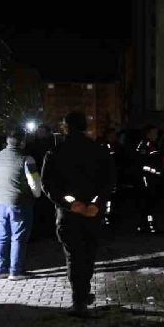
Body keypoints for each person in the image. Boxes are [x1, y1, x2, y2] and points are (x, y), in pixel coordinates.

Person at [41, 111, 115, 316]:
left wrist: (70, 204)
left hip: (68, 214)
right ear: (85, 127)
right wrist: (95, 203)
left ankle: (79, 299)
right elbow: (109, 181)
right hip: (92, 213)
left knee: (74, 256)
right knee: (89, 253)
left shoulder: (55, 152)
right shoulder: (99, 150)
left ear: (65, 127)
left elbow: (48, 185)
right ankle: (83, 294)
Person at [0, 127, 43, 280]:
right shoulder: (27, 159)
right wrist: (36, 195)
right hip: (20, 202)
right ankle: (16, 271)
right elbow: (34, 182)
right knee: (18, 237)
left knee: (0, 236)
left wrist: (2, 190)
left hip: (0, 202)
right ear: (23, 141)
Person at [133, 125, 164, 234]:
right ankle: (150, 227)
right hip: (146, 179)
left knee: (149, 203)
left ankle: (144, 226)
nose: (156, 135)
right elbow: (142, 164)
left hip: (151, 178)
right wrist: (154, 171)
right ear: (149, 133)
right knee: (148, 203)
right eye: (155, 133)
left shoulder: (152, 145)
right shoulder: (145, 145)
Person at [100, 128, 123, 227]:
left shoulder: (115, 146)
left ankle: (110, 216)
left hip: (113, 176)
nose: (115, 137)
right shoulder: (105, 146)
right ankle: (106, 217)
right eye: (113, 135)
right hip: (107, 177)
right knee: (107, 198)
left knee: (112, 197)